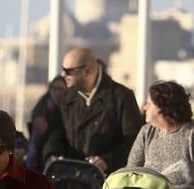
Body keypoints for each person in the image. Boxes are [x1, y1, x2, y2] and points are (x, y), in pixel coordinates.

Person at [43, 46, 143, 176]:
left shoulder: (122, 97)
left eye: (68, 71)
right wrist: (52, 155)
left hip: (108, 180)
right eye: (63, 70)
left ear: (87, 71)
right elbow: (55, 134)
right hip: (71, 179)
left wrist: (107, 161)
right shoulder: (65, 98)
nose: (63, 75)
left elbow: (133, 141)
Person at [26, 75, 67, 171]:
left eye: (61, 89)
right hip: (41, 157)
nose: (57, 92)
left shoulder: (67, 110)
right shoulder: (43, 107)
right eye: (55, 88)